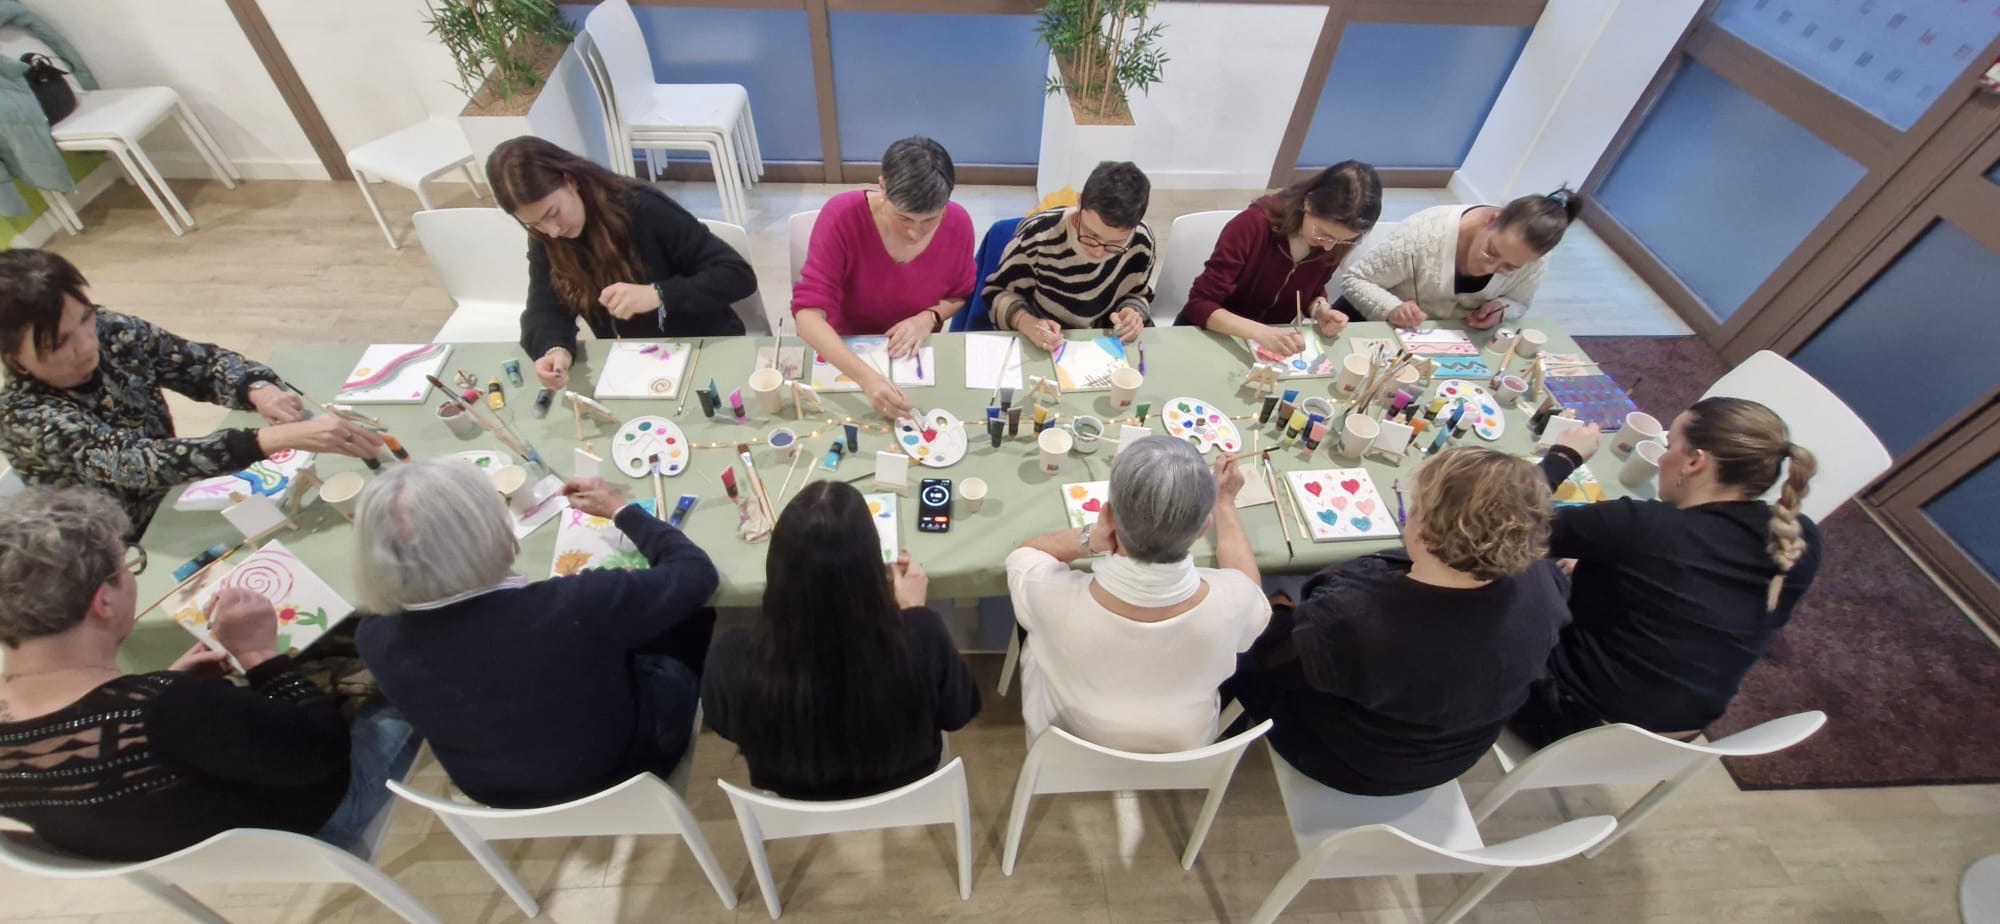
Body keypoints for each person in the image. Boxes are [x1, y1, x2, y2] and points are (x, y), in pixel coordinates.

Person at [0, 488, 416, 861]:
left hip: (180, 848)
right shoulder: (170, 708)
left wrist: (164, 681)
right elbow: (323, 749)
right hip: (316, 822)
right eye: (127, 565)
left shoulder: (160, 704)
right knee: (403, 652)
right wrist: (257, 653)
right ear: (103, 601)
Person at [353, 461, 717, 808]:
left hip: (495, 790)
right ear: (487, 533)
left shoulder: (373, 636)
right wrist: (621, 510)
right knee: (689, 621)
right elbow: (696, 573)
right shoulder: (570, 606)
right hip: (622, 770)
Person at [1224, 447, 1569, 796]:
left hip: (1358, 764)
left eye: (1414, 505)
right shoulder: (1541, 579)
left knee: (1234, 634)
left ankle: (1219, 733)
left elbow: (1268, 649)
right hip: (1451, 754)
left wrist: (1225, 507)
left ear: (1421, 532)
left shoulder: (1355, 619)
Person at [0, 250, 384, 538]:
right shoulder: (24, 415)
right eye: (59, 343)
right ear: (13, 355)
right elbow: (137, 461)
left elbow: (199, 363)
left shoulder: (109, 330)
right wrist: (274, 438)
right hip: (121, 544)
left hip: (180, 496)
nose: (86, 345)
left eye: (85, 318)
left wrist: (256, 388)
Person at [1512, 397, 1822, 747]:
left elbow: (1500, 519)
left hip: (1569, 723)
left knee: (1499, 561)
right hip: (1674, 740)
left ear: (1695, 461)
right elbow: (1689, 587)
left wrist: (1564, 456)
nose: (1661, 458)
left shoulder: (1642, 526)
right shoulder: (1798, 536)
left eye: (1669, 445)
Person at [703, 480, 979, 800]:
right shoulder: (923, 636)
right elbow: (958, 713)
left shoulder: (731, 657)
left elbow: (725, 725)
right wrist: (913, 614)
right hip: (905, 780)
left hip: (794, 793)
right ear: (872, 565)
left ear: (777, 568)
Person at [1006, 438, 1270, 753]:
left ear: (1106, 516)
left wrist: (1092, 538)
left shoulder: (1052, 596)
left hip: (1065, 746)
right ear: (1203, 530)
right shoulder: (1235, 602)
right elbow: (1248, 585)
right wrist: (1225, 502)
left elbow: (1026, 553)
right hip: (1179, 754)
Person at [487, 136, 759, 390]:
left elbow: (737, 275)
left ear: (570, 180)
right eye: (535, 224)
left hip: (701, 346)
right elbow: (543, 306)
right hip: (635, 362)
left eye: (553, 213)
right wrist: (553, 348)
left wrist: (657, 294)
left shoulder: (642, 207)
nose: (553, 231)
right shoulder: (546, 237)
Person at [792, 137, 976, 419]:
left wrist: (928, 318)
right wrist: (867, 379)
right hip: (843, 349)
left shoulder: (958, 223)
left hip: (914, 355)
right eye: (904, 219)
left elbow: (960, 293)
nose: (915, 233)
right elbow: (807, 315)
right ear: (882, 187)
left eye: (930, 220)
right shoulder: (842, 216)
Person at [1179, 161, 1381, 359]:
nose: (1329, 246)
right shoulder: (1253, 225)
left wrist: (1319, 309)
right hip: (1211, 334)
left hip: (1265, 346)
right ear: (1308, 203)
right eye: (1323, 234)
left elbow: (1309, 288)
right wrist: (1260, 333)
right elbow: (1199, 304)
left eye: (1342, 240)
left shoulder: (1334, 243)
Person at [1336, 188, 1583, 330]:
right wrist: (1391, 308)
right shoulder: (1427, 232)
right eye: (1491, 251)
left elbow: (1519, 302)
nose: (1490, 267)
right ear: (1493, 219)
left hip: (1446, 344)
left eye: (1509, 267)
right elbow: (1356, 279)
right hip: (1376, 327)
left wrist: (1500, 309)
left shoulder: (1534, 258)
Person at [984, 161, 1156, 348]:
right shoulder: (1038, 236)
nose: (1098, 252)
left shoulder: (1141, 241)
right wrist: (1026, 323)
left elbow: (1138, 294)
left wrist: (1133, 313)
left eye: (1115, 244)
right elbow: (996, 294)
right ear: (1079, 203)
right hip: (1044, 339)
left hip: (1105, 343)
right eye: (1091, 235)